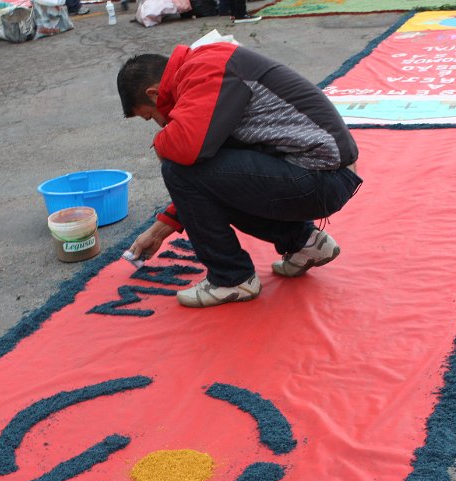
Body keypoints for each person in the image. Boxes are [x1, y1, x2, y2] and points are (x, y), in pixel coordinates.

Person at [117, 43, 361, 308]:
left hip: (321, 178)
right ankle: (306, 243)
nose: (160, 123)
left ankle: (231, 278)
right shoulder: (202, 69)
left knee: (176, 166)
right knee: (195, 170)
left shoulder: (205, 70)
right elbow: (209, 177)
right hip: (322, 176)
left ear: (154, 94)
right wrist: (161, 228)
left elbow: (186, 155)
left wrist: (161, 143)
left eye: (150, 116)